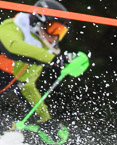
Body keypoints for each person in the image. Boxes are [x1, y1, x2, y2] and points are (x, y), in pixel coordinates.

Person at [0, 0, 70, 132]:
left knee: (7, 127)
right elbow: (12, 47)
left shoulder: (38, 53)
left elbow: (26, 87)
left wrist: (45, 120)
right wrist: (52, 59)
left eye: (60, 32)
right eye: (53, 28)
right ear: (38, 22)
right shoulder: (10, 27)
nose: (55, 37)